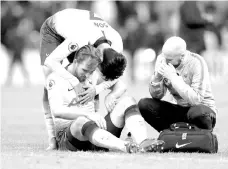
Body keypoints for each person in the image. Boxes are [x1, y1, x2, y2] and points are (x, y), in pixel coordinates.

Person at [46, 45, 164, 152]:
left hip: (95, 131)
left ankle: (143, 143)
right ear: (75, 62)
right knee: (80, 121)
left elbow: (121, 85)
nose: (88, 75)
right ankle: (126, 146)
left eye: (91, 71)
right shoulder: (55, 78)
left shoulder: (92, 75)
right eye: (85, 70)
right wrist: (87, 115)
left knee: (127, 100)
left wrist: (111, 95)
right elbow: (57, 111)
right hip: (70, 136)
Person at [39, 9, 127, 150]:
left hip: (85, 30)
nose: (96, 76)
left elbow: (114, 77)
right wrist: (74, 82)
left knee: (87, 78)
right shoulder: (79, 38)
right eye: (100, 72)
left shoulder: (117, 45)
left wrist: (97, 89)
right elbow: (51, 61)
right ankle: (53, 139)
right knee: (50, 77)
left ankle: (90, 122)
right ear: (101, 59)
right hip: (55, 30)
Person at [138, 36, 217, 133]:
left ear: (182, 56)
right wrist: (157, 77)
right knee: (144, 104)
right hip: (180, 109)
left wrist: (173, 78)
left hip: (202, 109)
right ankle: (171, 135)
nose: (166, 62)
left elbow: (196, 100)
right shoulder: (162, 59)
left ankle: (200, 135)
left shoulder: (197, 62)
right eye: (164, 57)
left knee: (198, 113)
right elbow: (156, 96)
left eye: (169, 60)